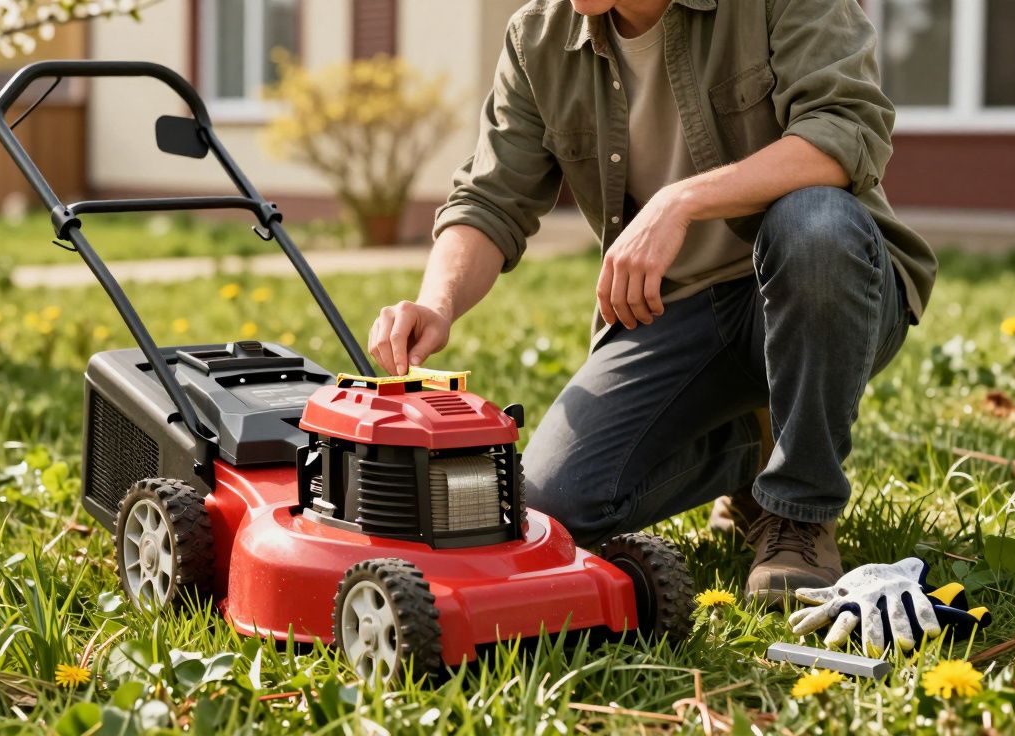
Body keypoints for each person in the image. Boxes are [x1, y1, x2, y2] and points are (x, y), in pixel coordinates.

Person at [365, 0, 935, 604]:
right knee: (551, 510)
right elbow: (490, 198)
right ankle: (749, 449)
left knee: (814, 222)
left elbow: (842, 134)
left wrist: (679, 201)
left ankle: (800, 509)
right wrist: (437, 303)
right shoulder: (539, 36)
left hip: (826, 288)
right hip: (674, 315)